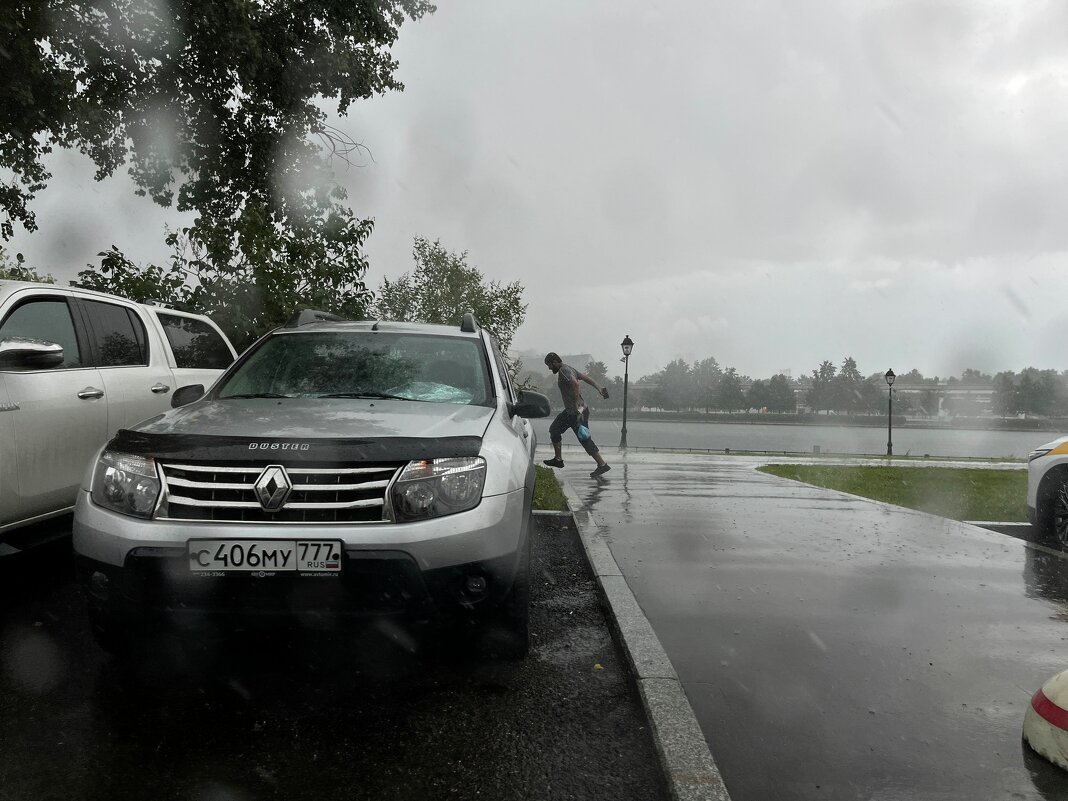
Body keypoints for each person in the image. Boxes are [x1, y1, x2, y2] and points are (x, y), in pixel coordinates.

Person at [542, 352, 611, 477]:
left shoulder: (563, 371)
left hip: (574, 411)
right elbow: (585, 378)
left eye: (550, 365)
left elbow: (575, 384)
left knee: (555, 429)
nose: (549, 368)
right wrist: (599, 388)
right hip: (580, 411)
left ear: (556, 361)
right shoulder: (569, 368)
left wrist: (576, 403)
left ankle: (558, 460)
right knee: (584, 437)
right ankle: (602, 465)